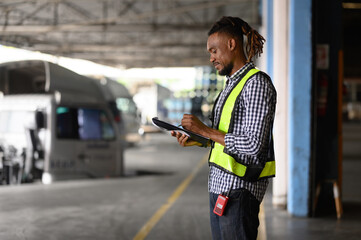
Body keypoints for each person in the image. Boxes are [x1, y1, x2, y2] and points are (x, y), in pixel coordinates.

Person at [171, 16, 277, 240]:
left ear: (231, 44)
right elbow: (229, 138)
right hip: (221, 189)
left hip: (240, 192)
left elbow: (253, 145)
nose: (211, 58)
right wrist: (200, 139)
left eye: (214, 51)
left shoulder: (256, 84)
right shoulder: (232, 85)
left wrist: (206, 130)